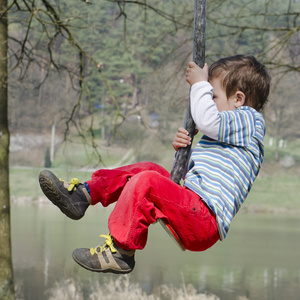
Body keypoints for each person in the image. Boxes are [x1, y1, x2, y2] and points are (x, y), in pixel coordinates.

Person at [39, 54, 271, 275]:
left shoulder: (251, 121)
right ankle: (84, 194)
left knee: (148, 182)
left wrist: (200, 84)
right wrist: (182, 152)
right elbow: (199, 174)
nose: (208, 101)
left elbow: (207, 120)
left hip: (203, 220)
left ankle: (120, 252)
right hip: (193, 206)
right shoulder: (231, 133)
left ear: (238, 99)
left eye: (213, 96)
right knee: (149, 170)